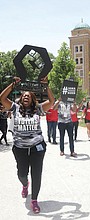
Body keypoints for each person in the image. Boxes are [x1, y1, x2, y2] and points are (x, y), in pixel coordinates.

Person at [0, 76, 54, 214]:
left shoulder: (38, 109)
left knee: (36, 174)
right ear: (21, 98)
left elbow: (52, 101)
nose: (26, 97)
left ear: (32, 99)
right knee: (22, 173)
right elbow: (2, 98)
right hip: (20, 148)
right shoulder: (15, 108)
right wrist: (13, 85)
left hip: (37, 146)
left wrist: (46, 85)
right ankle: (25, 185)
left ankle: (34, 200)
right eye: (24, 95)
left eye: (28, 96)